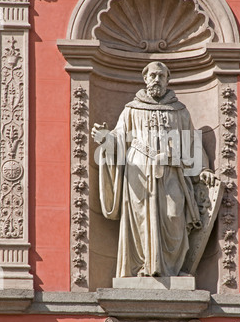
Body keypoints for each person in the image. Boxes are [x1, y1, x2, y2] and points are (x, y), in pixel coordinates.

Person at [91, 61, 215, 278]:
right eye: (153, 76)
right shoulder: (131, 110)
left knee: (174, 215)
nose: (157, 79)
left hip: (172, 172)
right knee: (140, 221)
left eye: (161, 76)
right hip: (138, 173)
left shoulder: (180, 111)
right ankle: (142, 267)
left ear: (168, 80)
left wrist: (203, 168)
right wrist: (106, 140)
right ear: (145, 78)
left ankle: (171, 270)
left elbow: (192, 142)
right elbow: (119, 138)